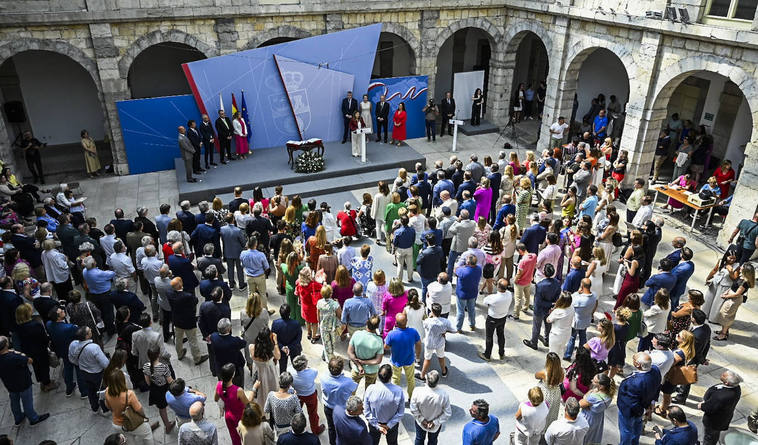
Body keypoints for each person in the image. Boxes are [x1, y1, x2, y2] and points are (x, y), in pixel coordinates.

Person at [0, 335, 50, 426]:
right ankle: (33, 418)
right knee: (27, 402)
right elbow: (29, 360)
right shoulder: (14, 357)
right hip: (23, 382)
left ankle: (18, 418)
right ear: (6, 345)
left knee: (14, 401)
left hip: (9, 384)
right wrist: (18, 353)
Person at [617, 352, 662, 445]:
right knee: (637, 426)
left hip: (630, 411)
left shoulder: (633, 383)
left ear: (638, 364)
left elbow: (631, 402)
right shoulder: (656, 370)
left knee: (626, 430)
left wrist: (642, 410)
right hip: (644, 405)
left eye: (634, 359)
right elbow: (657, 386)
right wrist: (651, 403)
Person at [168, 277, 209, 365]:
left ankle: (179, 354)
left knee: (178, 339)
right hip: (188, 321)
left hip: (177, 320)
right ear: (180, 285)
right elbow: (195, 301)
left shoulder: (169, 293)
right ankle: (197, 358)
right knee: (192, 340)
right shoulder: (187, 296)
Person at [363, 364, 404, 445]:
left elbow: (367, 411)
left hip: (374, 424)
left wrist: (377, 426)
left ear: (378, 375)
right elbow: (400, 413)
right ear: (391, 376)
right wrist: (389, 425)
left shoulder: (370, 389)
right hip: (392, 426)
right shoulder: (398, 391)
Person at [699, 370, 742, 445]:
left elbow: (710, 408)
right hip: (723, 419)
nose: (722, 374)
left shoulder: (721, 397)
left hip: (713, 422)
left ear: (727, 383)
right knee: (714, 435)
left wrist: (701, 406)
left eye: (723, 376)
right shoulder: (736, 388)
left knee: (709, 437)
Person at [714, 262, 754, 341]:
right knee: (724, 314)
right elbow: (734, 286)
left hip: (733, 300)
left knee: (726, 316)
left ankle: (723, 334)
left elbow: (737, 294)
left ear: (745, 271)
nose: (740, 267)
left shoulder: (745, 282)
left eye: (742, 267)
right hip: (730, 297)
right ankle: (723, 331)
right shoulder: (741, 276)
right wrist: (728, 291)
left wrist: (726, 296)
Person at [384, 312, 421, 399]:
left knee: (395, 379)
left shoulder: (391, 334)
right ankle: (411, 397)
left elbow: (386, 347)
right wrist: (417, 356)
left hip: (396, 361)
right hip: (409, 360)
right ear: (407, 321)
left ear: (396, 323)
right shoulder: (413, 332)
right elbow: (419, 344)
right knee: (411, 380)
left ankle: (395, 397)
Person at [322, 357, 358, 445]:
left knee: (331, 428)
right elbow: (354, 387)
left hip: (328, 407)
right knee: (343, 428)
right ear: (342, 369)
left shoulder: (323, 378)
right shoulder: (347, 382)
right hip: (342, 410)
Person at [524, 264, 560, 350]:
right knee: (548, 325)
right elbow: (557, 296)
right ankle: (547, 340)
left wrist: (549, 304)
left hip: (540, 309)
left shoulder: (540, 285)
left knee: (537, 326)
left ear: (544, 272)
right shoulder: (557, 283)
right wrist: (552, 304)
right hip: (549, 309)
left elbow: (538, 301)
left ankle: (534, 342)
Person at [410, 369, 450, 445]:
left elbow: (413, 409)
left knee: (419, 438)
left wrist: (422, 420)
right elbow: (447, 413)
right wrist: (435, 422)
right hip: (435, 426)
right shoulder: (444, 395)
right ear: (437, 382)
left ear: (426, 380)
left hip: (420, 423)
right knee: (433, 441)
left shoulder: (417, 391)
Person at [215, 363, 251, 445]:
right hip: (240, 416)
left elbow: (216, 399)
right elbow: (247, 404)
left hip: (228, 416)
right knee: (245, 436)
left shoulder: (219, 385)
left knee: (234, 437)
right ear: (233, 375)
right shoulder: (238, 390)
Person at [478, 278, 512, 362]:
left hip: (492, 319)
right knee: (501, 335)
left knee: (489, 337)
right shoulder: (509, 294)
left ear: (498, 287)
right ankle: (501, 353)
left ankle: (487, 355)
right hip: (502, 318)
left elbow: (485, 302)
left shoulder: (493, 298)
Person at [564, 278, 598, 361]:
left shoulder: (579, 299)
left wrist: (576, 293)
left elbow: (570, 300)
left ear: (582, 286)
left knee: (572, 338)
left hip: (577, 322)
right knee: (583, 337)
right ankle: (581, 354)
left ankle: (568, 355)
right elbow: (596, 304)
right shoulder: (594, 296)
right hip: (586, 320)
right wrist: (592, 313)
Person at [143, 347, 175, 434]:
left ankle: (167, 425)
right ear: (158, 355)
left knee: (162, 409)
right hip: (164, 388)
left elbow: (148, 382)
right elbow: (170, 381)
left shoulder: (146, 366)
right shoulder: (163, 367)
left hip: (155, 390)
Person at [579, 373, 614, 445]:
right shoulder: (609, 395)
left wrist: (587, 395)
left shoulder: (593, 397)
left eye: (594, 381)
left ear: (601, 386)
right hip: (598, 419)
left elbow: (580, 404)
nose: (592, 381)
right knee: (593, 436)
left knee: (585, 436)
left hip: (588, 419)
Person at [264, 372, 302, 436]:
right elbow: (299, 413)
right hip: (291, 426)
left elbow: (266, 410)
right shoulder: (293, 398)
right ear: (289, 385)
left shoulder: (271, 395)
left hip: (278, 426)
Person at [454, 255, 482, 332]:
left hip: (462, 294)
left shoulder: (462, 271)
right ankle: (472, 325)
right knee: (471, 310)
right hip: (473, 293)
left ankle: (458, 328)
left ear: (468, 262)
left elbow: (455, 270)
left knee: (460, 312)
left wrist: (460, 264)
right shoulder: (479, 268)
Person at [513, 242, 537, 320]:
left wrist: (515, 280)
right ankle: (525, 307)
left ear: (520, 250)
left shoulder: (522, 261)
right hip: (529, 280)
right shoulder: (534, 256)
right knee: (527, 295)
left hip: (520, 282)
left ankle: (516, 314)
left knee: (518, 299)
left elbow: (519, 274)